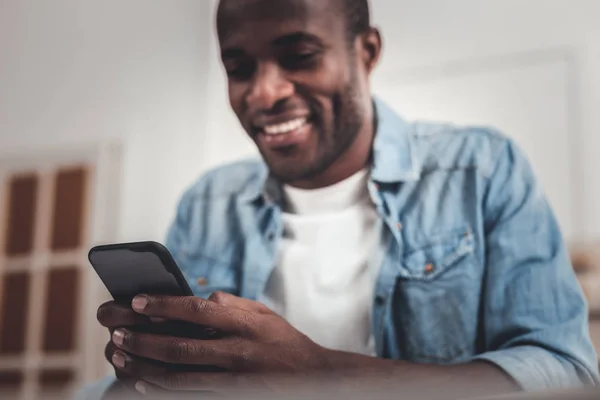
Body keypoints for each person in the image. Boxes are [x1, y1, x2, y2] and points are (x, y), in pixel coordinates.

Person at [79, 0, 599, 398]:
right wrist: (144, 377)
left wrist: (319, 375)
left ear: (366, 52)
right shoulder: (208, 201)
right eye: (239, 68)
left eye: (299, 57)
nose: (263, 92)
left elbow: (565, 372)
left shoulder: (482, 168)